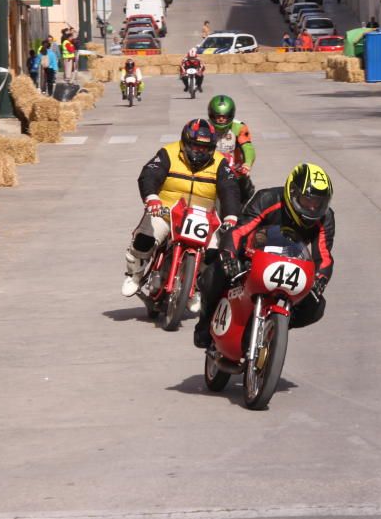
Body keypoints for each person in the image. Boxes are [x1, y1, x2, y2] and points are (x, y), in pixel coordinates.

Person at [194, 162, 335, 349]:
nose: (312, 208)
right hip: (252, 257)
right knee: (214, 272)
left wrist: (320, 278)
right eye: (307, 201)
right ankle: (204, 323)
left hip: (291, 264)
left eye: (318, 203)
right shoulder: (267, 198)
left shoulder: (325, 218)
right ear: (292, 193)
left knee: (316, 306)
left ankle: (274, 329)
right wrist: (228, 256)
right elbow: (238, 231)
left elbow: (323, 256)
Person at [121, 119, 242, 298]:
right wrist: (152, 198)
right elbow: (149, 174)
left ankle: (196, 287)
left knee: (214, 254)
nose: (200, 151)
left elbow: (230, 189)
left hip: (203, 217)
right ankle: (135, 275)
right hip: (165, 212)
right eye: (195, 146)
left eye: (205, 148)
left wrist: (231, 216)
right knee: (144, 239)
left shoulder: (220, 163)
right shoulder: (168, 153)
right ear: (185, 143)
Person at [208, 95, 255, 204]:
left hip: (234, 169)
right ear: (211, 115)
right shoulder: (205, 126)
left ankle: (241, 212)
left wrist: (247, 164)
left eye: (224, 116)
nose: (221, 119)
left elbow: (248, 147)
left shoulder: (239, 127)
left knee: (246, 188)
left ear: (231, 115)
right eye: (217, 116)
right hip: (209, 166)